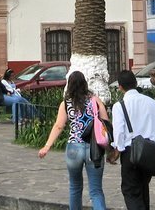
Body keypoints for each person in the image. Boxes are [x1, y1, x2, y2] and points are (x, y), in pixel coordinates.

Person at [37, 70, 109, 210]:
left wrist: (47, 146)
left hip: (73, 148)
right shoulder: (95, 100)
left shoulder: (66, 103)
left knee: (75, 187)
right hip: (93, 148)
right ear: (84, 84)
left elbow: (59, 126)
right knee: (96, 191)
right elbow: (105, 122)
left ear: (69, 85)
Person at [108, 69, 155, 210]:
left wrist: (116, 152)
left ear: (120, 87)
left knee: (131, 191)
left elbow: (119, 133)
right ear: (136, 83)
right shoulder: (152, 103)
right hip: (150, 153)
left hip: (130, 153)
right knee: (143, 188)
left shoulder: (119, 106)